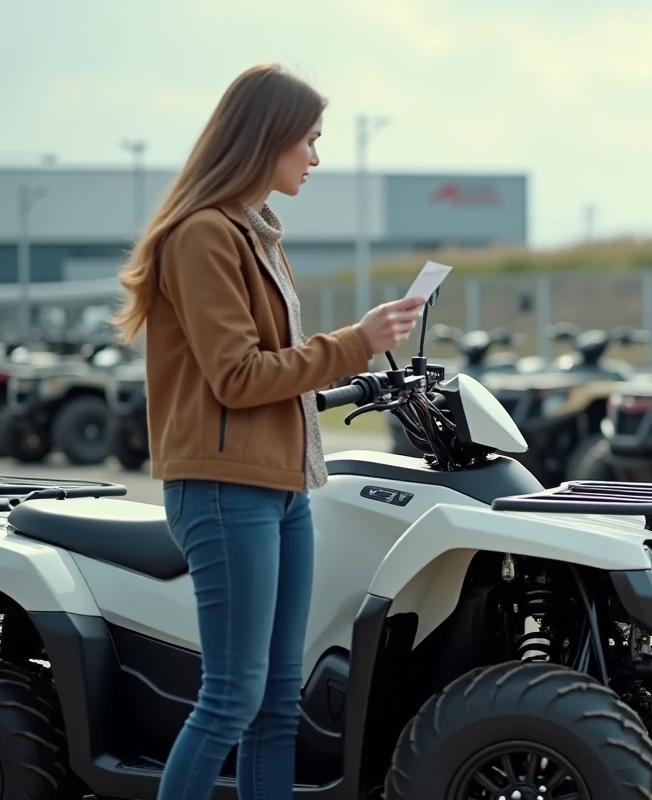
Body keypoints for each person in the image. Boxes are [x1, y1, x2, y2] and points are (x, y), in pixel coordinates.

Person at [111, 63, 427, 799]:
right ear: (269, 138)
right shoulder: (203, 236)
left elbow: (277, 370)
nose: (316, 159)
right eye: (309, 141)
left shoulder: (258, 235)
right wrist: (357, 340)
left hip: (282, 489)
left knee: (275, 704)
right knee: (231, 700)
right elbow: (240, 376)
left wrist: (358, 350)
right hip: (225, 492)